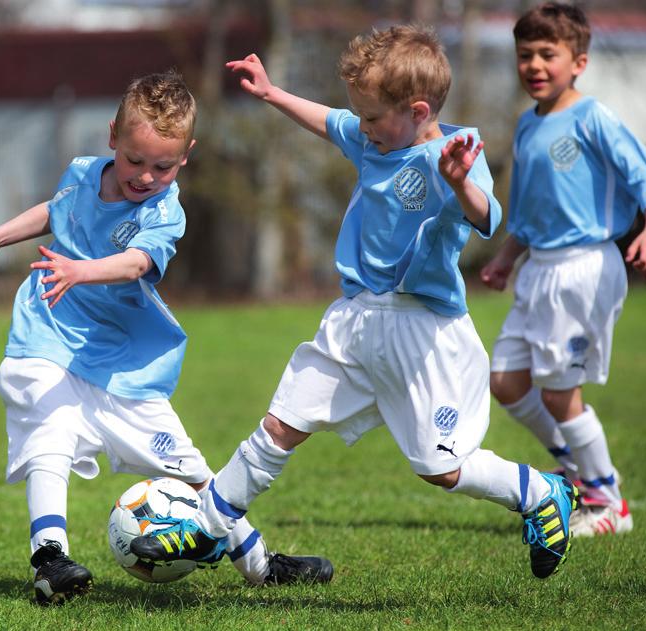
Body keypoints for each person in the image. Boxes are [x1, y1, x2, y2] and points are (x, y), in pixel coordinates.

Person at [130, 25, 578, 581]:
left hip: (423, 332)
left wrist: (460, 183)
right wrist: (272, 93)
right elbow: (329, 121)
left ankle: (540, 492)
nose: (360, 129)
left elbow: (487, 217)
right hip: (355, 319)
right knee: (282, 423)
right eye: (360, 118)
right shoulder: (374, 138)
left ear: (416, 111)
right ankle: (208, 524)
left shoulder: (453, 155)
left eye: (370, 118)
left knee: (442, 468)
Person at [0, 71, 332, 606]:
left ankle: (259, 565)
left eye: (163, 166)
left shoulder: (165, 212)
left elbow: (136, 263)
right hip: (49, 334)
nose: (146, 176)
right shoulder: (84, 173)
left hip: (124, 366)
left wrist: (81, 271)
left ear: (186, 157)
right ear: (113, 136)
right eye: (136, 161)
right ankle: (50, 559)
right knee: (50, 432)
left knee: (195, 472)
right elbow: (56, 209)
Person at [479, 3, 646, 537]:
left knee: (561, 392)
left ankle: (608, 504)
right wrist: (504, 258)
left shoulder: (593, 118)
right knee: (507, 380)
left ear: (578, 62)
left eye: (548, 54)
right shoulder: (524, 125)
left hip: (584, 267)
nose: (535, 65)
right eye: (524, 55)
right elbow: (529, 213)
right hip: (538, 269)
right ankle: (577, 470)